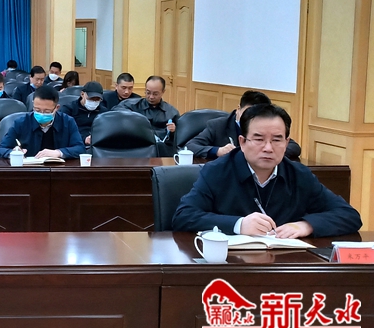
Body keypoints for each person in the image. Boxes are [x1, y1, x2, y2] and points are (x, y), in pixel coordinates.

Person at [172, 104, 362, 238]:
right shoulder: (217, 171)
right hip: (230, 267)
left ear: (287, 143)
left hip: (285, 267)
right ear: (242, 142)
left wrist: (306, 225)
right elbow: (183, 216)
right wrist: (239, 224)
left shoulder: (299, 175)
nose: (268, 148)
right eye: (259, 139)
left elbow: (349, 215)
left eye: (277, 140)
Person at [187, 90, 302, 160]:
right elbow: (191, 145)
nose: (250, 118)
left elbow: (294, 147)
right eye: (247, 112)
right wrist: (218, 151)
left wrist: (269, 151)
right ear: (238, 109)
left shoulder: (265, 128)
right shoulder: (218, 125)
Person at [0, 86, 86, 159]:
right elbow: (0, 150)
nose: (41, 114)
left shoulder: (68, 121)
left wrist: (59, 152)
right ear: (33, 104)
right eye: (37, 110)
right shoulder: (21, 123)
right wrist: (13, 153)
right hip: (28, 171)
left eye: (47, 111)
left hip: (58, 171)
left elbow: (80, 149)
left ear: (56, 108)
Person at [113, 76, 180, 155]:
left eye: (155, 94)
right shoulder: (132, 105)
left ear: (163, 92)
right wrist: (134, 118)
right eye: (148, 92)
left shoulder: (171, 112)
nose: (151, 97)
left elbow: (181, 137)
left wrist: (173, 131)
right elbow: (115, 112)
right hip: (137, 147)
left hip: (161, 150)